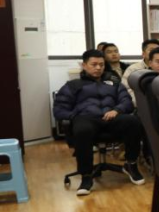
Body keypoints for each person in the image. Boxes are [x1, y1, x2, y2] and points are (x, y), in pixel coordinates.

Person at [53, 50, 146, 196]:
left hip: (111, 118)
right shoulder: (72, 85)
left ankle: (131, 164)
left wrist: (117, 110)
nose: (98, 68)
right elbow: (59, 110)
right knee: (82, 129)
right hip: (86, 120)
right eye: (94, 64)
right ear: (84, 65)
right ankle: (86, 176)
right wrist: (76, 116)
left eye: (101, 65)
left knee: (133, 121)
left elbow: (127, 102)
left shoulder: (114, 83)